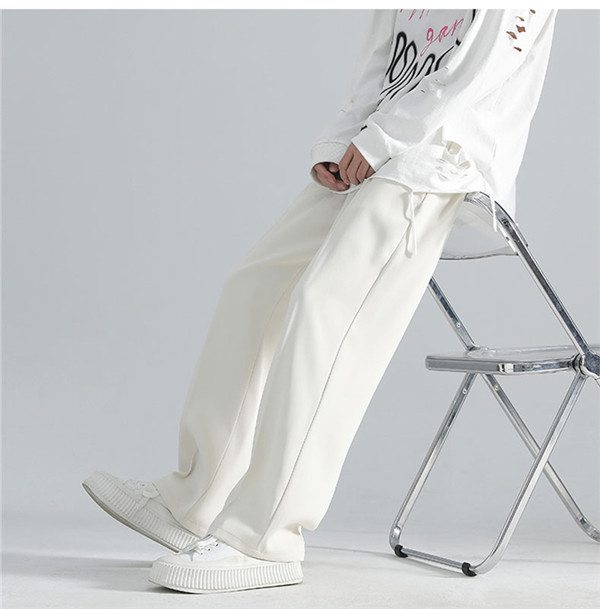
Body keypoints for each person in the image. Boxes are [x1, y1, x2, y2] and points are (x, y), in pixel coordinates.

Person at [83, 8, 557, 594]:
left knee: (323, 311)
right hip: (376, 145)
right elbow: (382, 55)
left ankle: (265, 537)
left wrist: (383, 139)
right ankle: (194, 499)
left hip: (440, 158)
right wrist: (341, 139)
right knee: (254, 286)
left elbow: (479, 69)